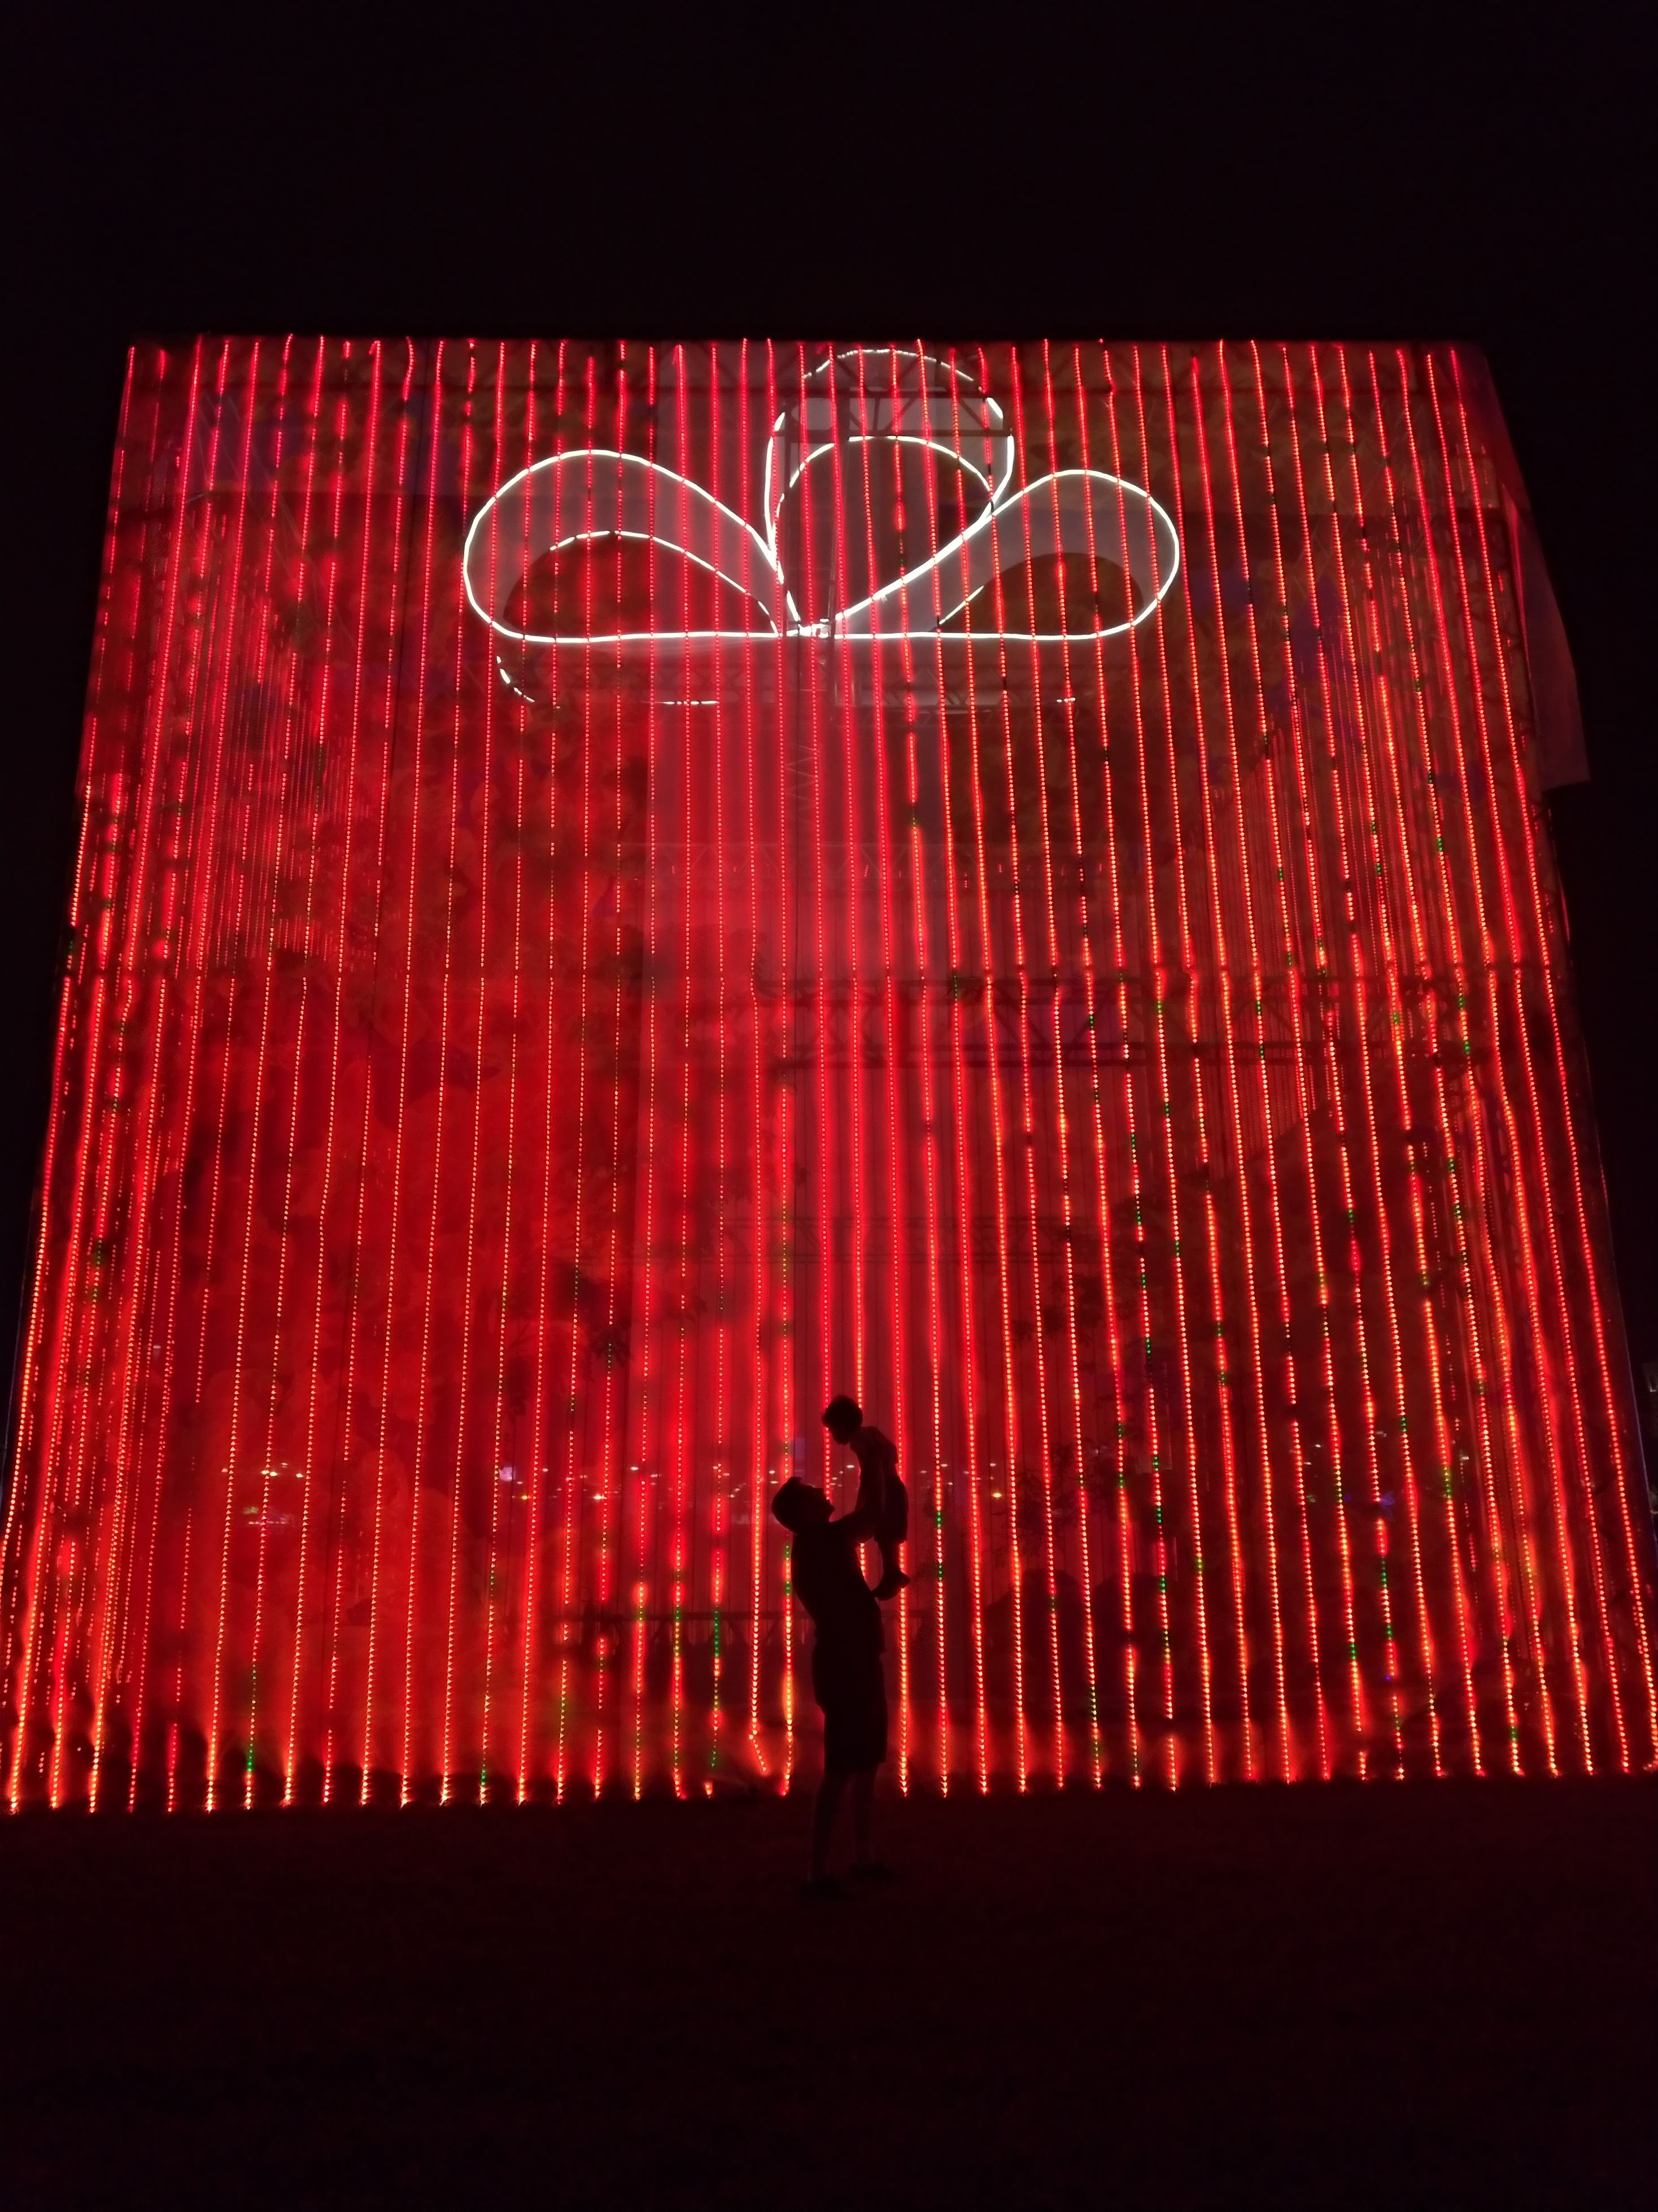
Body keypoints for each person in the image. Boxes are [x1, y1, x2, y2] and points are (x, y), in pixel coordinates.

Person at [771, 1475, 897, 1899]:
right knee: (843, 1768)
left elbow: (864, 1521)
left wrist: (869, 1476)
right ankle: (816, 1874)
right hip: (846, 1666)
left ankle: (862, 1856)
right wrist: (875, 1464)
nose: (821, 1492)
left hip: (857, 1660)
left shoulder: (820, 1542)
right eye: (810, 1494)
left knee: (864, 1765)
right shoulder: (820, 1541)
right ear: (803, 1514)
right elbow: (871, 1519)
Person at [821, 1395, 910, 1600]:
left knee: (881, 1533)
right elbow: (892, 1454)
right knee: (887, 1537)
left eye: (833, 1430)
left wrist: (866, 1499)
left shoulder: (858, 1441)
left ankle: (889, 1576)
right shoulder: (873, 1433)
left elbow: (872, 1470)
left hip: (883, 1488)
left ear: (842, 1425)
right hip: (894, 1486)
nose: (833, 1436)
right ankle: (892, 1573)